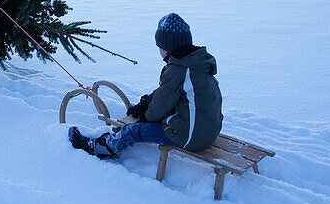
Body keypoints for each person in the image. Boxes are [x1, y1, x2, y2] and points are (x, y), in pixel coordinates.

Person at [69, 13, 223, 158]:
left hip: (188, 136)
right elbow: (165, 92)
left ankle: (100, 149)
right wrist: (145, 103)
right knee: (152, 118)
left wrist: (144, 118)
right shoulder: (193, 63)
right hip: (207, 130)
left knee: (132, 131)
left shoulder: (178, 70)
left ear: (167, 48)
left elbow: (161, 105)